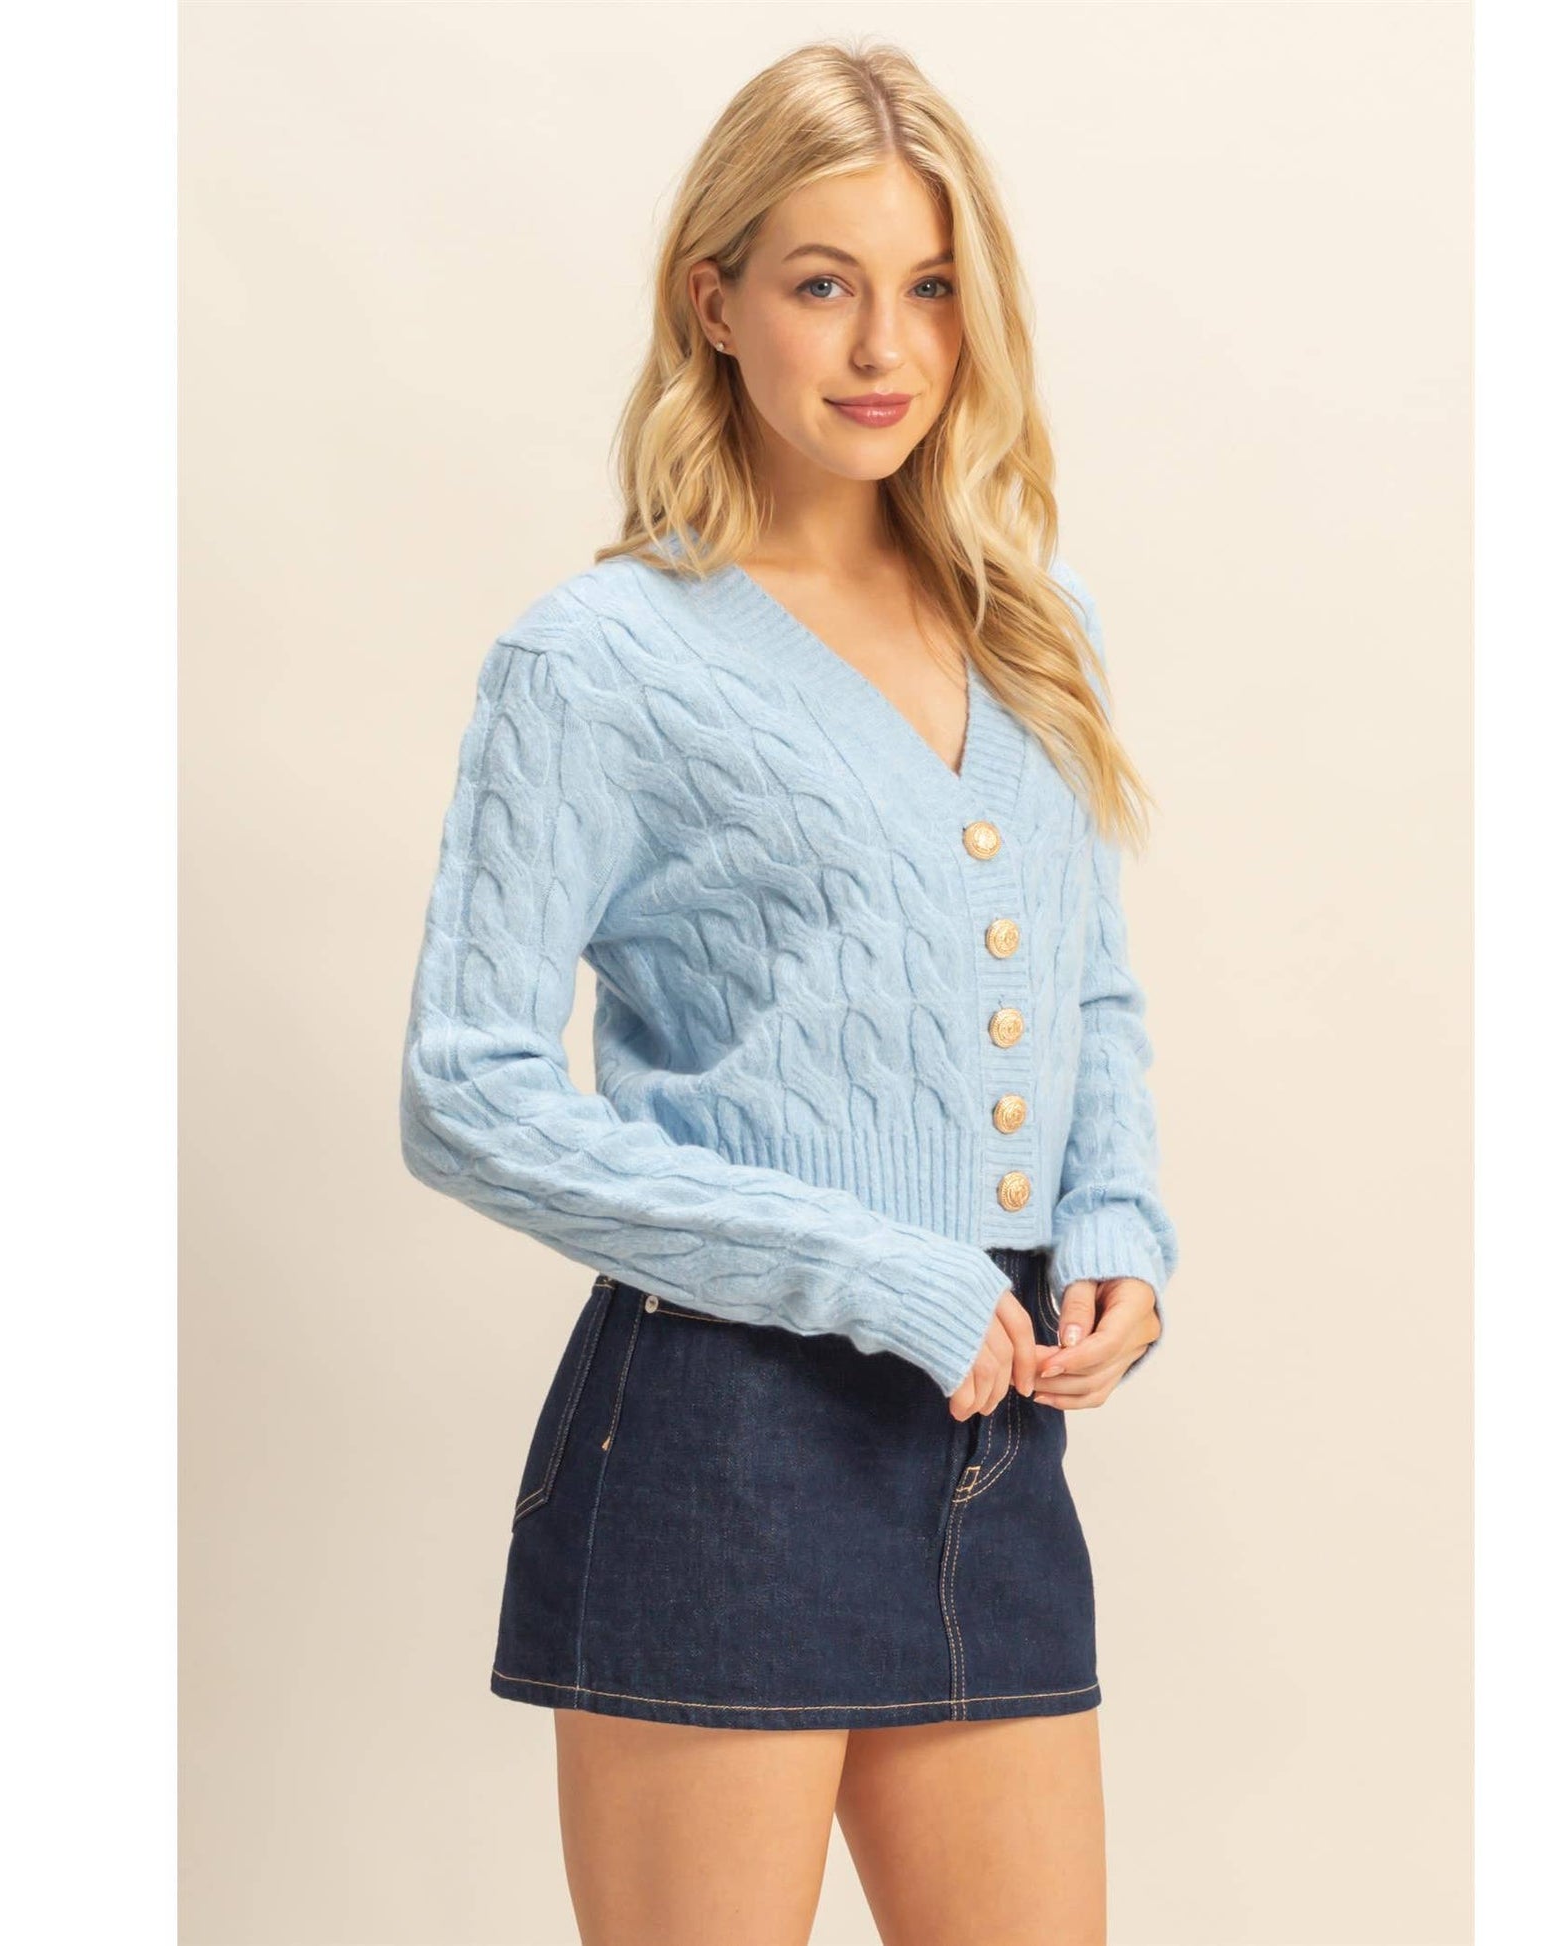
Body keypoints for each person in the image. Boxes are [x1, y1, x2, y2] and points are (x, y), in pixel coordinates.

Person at [398, 35, 1179, 1946]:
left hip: (992, 1432)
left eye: (931, 286)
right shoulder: (600, 661)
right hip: (722, 1435)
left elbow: (1085, 986)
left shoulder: (1033, 622)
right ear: (714, 300)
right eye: (823, 284)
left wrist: (1114, 1225)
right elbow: (466, 1088)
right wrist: (868, 1266)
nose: (883, 347)